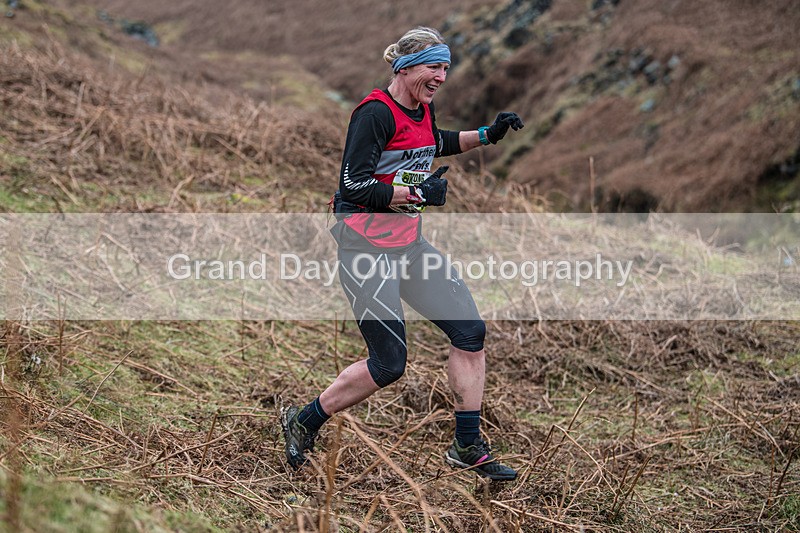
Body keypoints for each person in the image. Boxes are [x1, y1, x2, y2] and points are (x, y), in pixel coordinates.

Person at [281, 26, 524, 481]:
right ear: (406, 68)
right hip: (365, 248)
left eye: (446, 68)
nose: (442, 77)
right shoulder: (374, 113)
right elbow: (353, 185)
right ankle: (304, 420)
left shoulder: (421, 109)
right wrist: (418, 190)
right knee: (389, 364)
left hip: (409, 247)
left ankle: (466, 445)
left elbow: (437, 143)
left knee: (470, 332)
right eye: (435, 67)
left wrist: (488, 134)